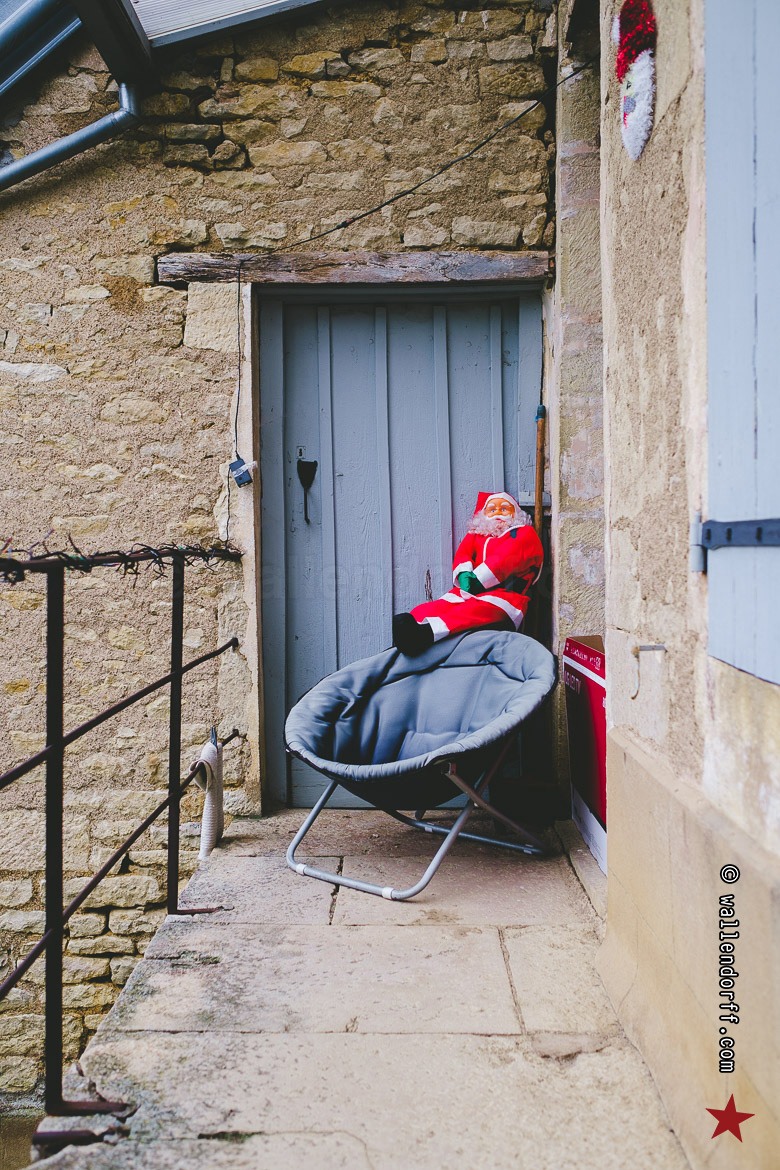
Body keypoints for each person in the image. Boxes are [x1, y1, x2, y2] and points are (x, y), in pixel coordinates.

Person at [392, 491, 544, 656]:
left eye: (504, 509)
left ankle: (425, 635)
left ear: (516, 514)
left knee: (472, 613)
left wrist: (477, 580)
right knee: (429, 609)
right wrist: (464, 574)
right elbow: (463, 553)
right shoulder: (476, 535)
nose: (498, 514)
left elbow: (506, 558)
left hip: (504, 598)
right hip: (467, 591)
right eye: (492, 510)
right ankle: (408, 633)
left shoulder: (523, 533)